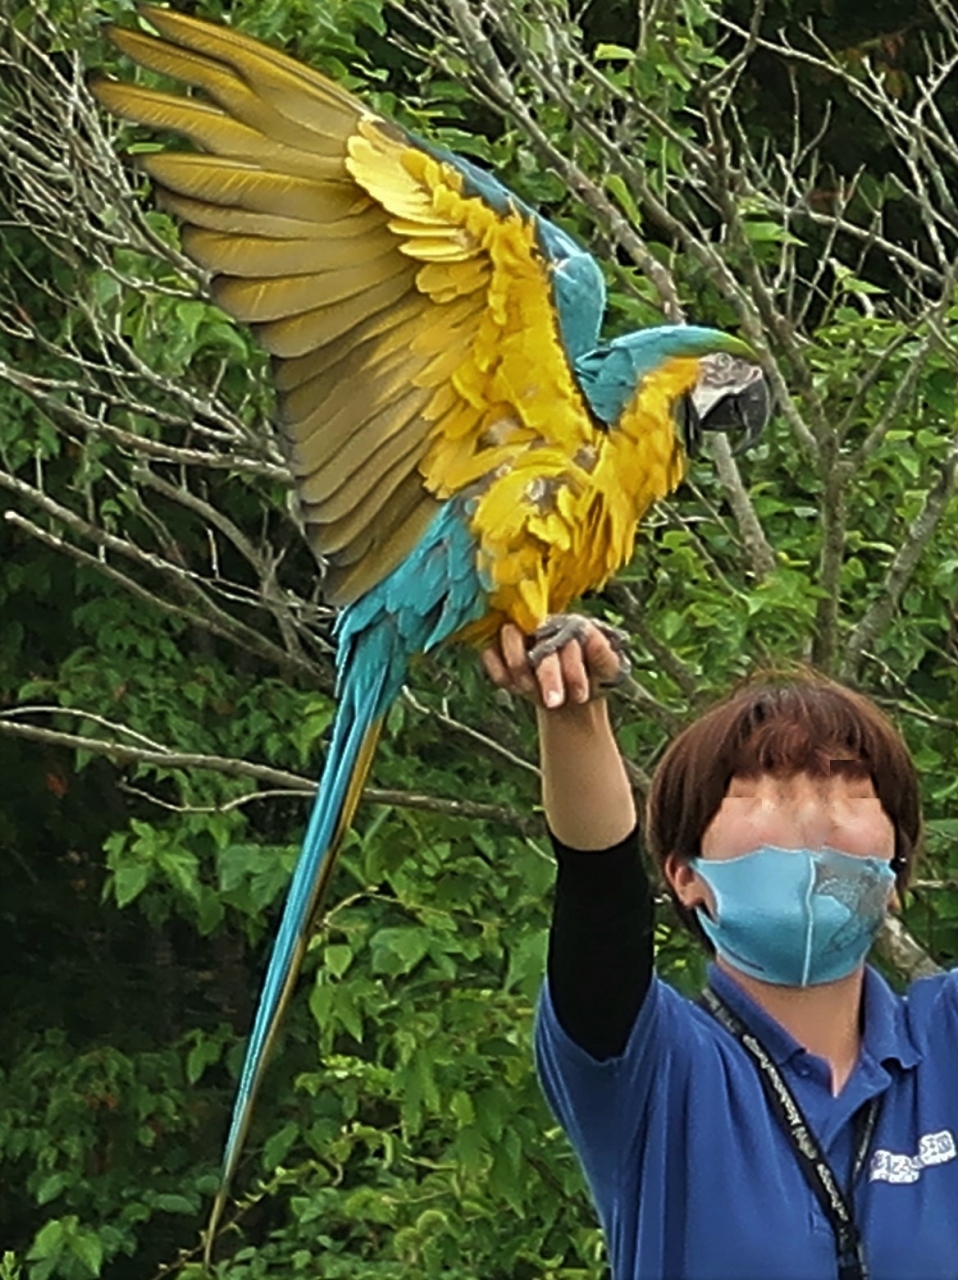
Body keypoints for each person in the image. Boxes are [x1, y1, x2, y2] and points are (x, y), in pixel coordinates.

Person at [482, 619, 958, 1280]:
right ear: (685, 877)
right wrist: (574, 709)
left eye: (846, 788)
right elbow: (598, 891)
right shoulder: (656, 1069)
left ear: (895, 879)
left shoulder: (948, 1038)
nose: (807, 812)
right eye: (759, 789)